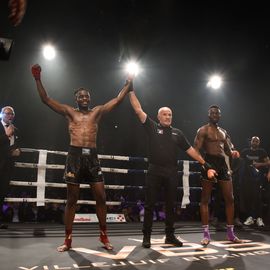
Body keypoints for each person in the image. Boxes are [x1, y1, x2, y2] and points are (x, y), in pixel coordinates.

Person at [31, 64, 133, 251]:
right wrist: (37, 78)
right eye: (81, 96)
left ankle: (104, 236)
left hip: (92, 157)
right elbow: (45, 99)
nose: (84, 98)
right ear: (76, 99)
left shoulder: (97, 112)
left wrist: (128, 82)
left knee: (101, 197)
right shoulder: (70, 112)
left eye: (86, 96)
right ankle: (68, 240)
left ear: (90, 98)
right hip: (75, 156)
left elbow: (118, 100)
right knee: (72, 199)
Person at [128, 90, 216, 248]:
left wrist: (206, 164)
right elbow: (138, 109)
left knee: (170, 205)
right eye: (165, 114)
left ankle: (170, 236)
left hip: (171, 172)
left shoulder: (177, 133)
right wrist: (130, 89)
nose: (168, 117)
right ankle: (146, 237)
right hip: (154, 170)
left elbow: (191, 151)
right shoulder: (152, 127)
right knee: (149, 204)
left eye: (170, 114)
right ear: (158, 117)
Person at [194, 105, 242, 245]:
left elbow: (228, 150)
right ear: (208, 115)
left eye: (217, 113)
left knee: (230, 198)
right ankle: (206, 234)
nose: (215, 115)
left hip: (222, 164)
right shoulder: (202, 130)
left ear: (220, 116)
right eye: (213, 113)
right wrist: (205, 165)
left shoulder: (223, 132)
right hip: (209, 162)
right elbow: (195, 151)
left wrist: (233, 152)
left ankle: (230, 233)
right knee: (205, 199)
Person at [240, 136, 270, 227]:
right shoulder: (245, 151)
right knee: (248, 197)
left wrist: (259, 164)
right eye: (254, 141)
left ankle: (259, 218)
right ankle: (250, 217)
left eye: (257, 141)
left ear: (259, 143)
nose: (255, 142)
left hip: (258, 178)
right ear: (251, 142)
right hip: (246, 178)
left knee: (258, 197)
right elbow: (239, 162)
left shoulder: (262, 152)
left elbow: (268, 162)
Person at [0, 106, 21, 229]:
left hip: (8, 167)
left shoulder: (16, 130)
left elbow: (18, 146)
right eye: (7, 113)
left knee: (2, 193)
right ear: (2, 114)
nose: (10, 116)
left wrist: (19, 151)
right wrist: (5, 135)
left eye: (12, 114)